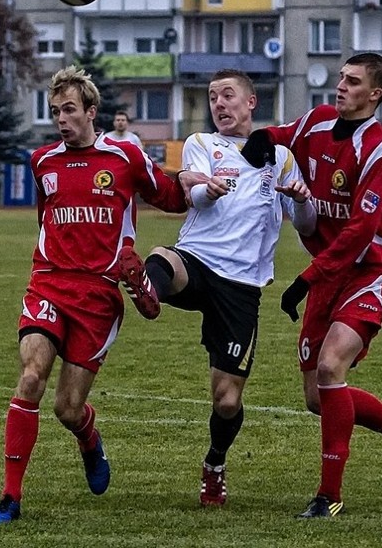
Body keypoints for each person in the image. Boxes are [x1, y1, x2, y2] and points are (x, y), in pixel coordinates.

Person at [0, 66, 206, 525]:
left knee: (67, 408)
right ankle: (10, 498)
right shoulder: (43, 161)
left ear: (91, 111)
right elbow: (45, 218)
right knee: (31, 376)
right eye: (54, 112)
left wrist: (195, 182)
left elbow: (169, 197)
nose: (61, 119)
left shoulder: (124, 156)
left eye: (69, 110)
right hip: (48, 281)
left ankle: (88, 436)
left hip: (100, 296)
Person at [241, 53, 382, 519]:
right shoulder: (317, 122)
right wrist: (260, 141)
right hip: (329, 273)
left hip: (371, 271)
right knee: (316, 398)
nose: (340, 87)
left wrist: (306, 278)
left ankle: (328, 496)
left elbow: (359, 233)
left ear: (375, 95)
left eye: (352, 82)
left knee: (330, 368)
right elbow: (281, 137)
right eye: (341, 78)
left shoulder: (378, 152)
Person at [115, 68, 316, 507]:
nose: (219, 104)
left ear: (250, 103)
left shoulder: (279, 156)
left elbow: (307, 226)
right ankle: (149, 285)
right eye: (212, 97)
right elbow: (197, 197)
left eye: (228, 96)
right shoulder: (202, 144)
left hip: (242, 286)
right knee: (166, 257)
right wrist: (210, 189)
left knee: (226, 401)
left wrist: (302, 200)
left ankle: (215, 463)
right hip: (199, 261)